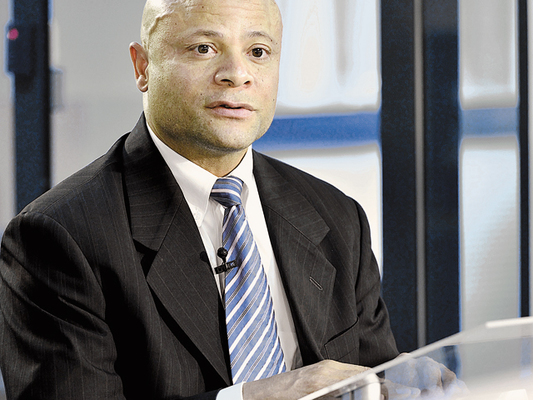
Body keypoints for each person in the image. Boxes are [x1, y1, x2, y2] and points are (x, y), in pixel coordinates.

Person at [0, 0, 453, 399]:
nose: (237, 74)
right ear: (142, 67)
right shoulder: (60, 236)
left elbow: (371, 379)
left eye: (258, 52)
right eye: (204, 48)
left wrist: (409, 387)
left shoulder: (337, 217)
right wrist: (254, 398)